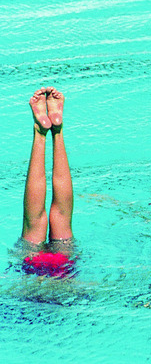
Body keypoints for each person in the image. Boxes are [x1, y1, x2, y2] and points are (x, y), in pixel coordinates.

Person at [18, 87, 75, 278]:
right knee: (37, 222)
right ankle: (54, 132)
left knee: (60, 218)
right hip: (55, 272)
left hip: (54, 269)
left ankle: (42, 132)